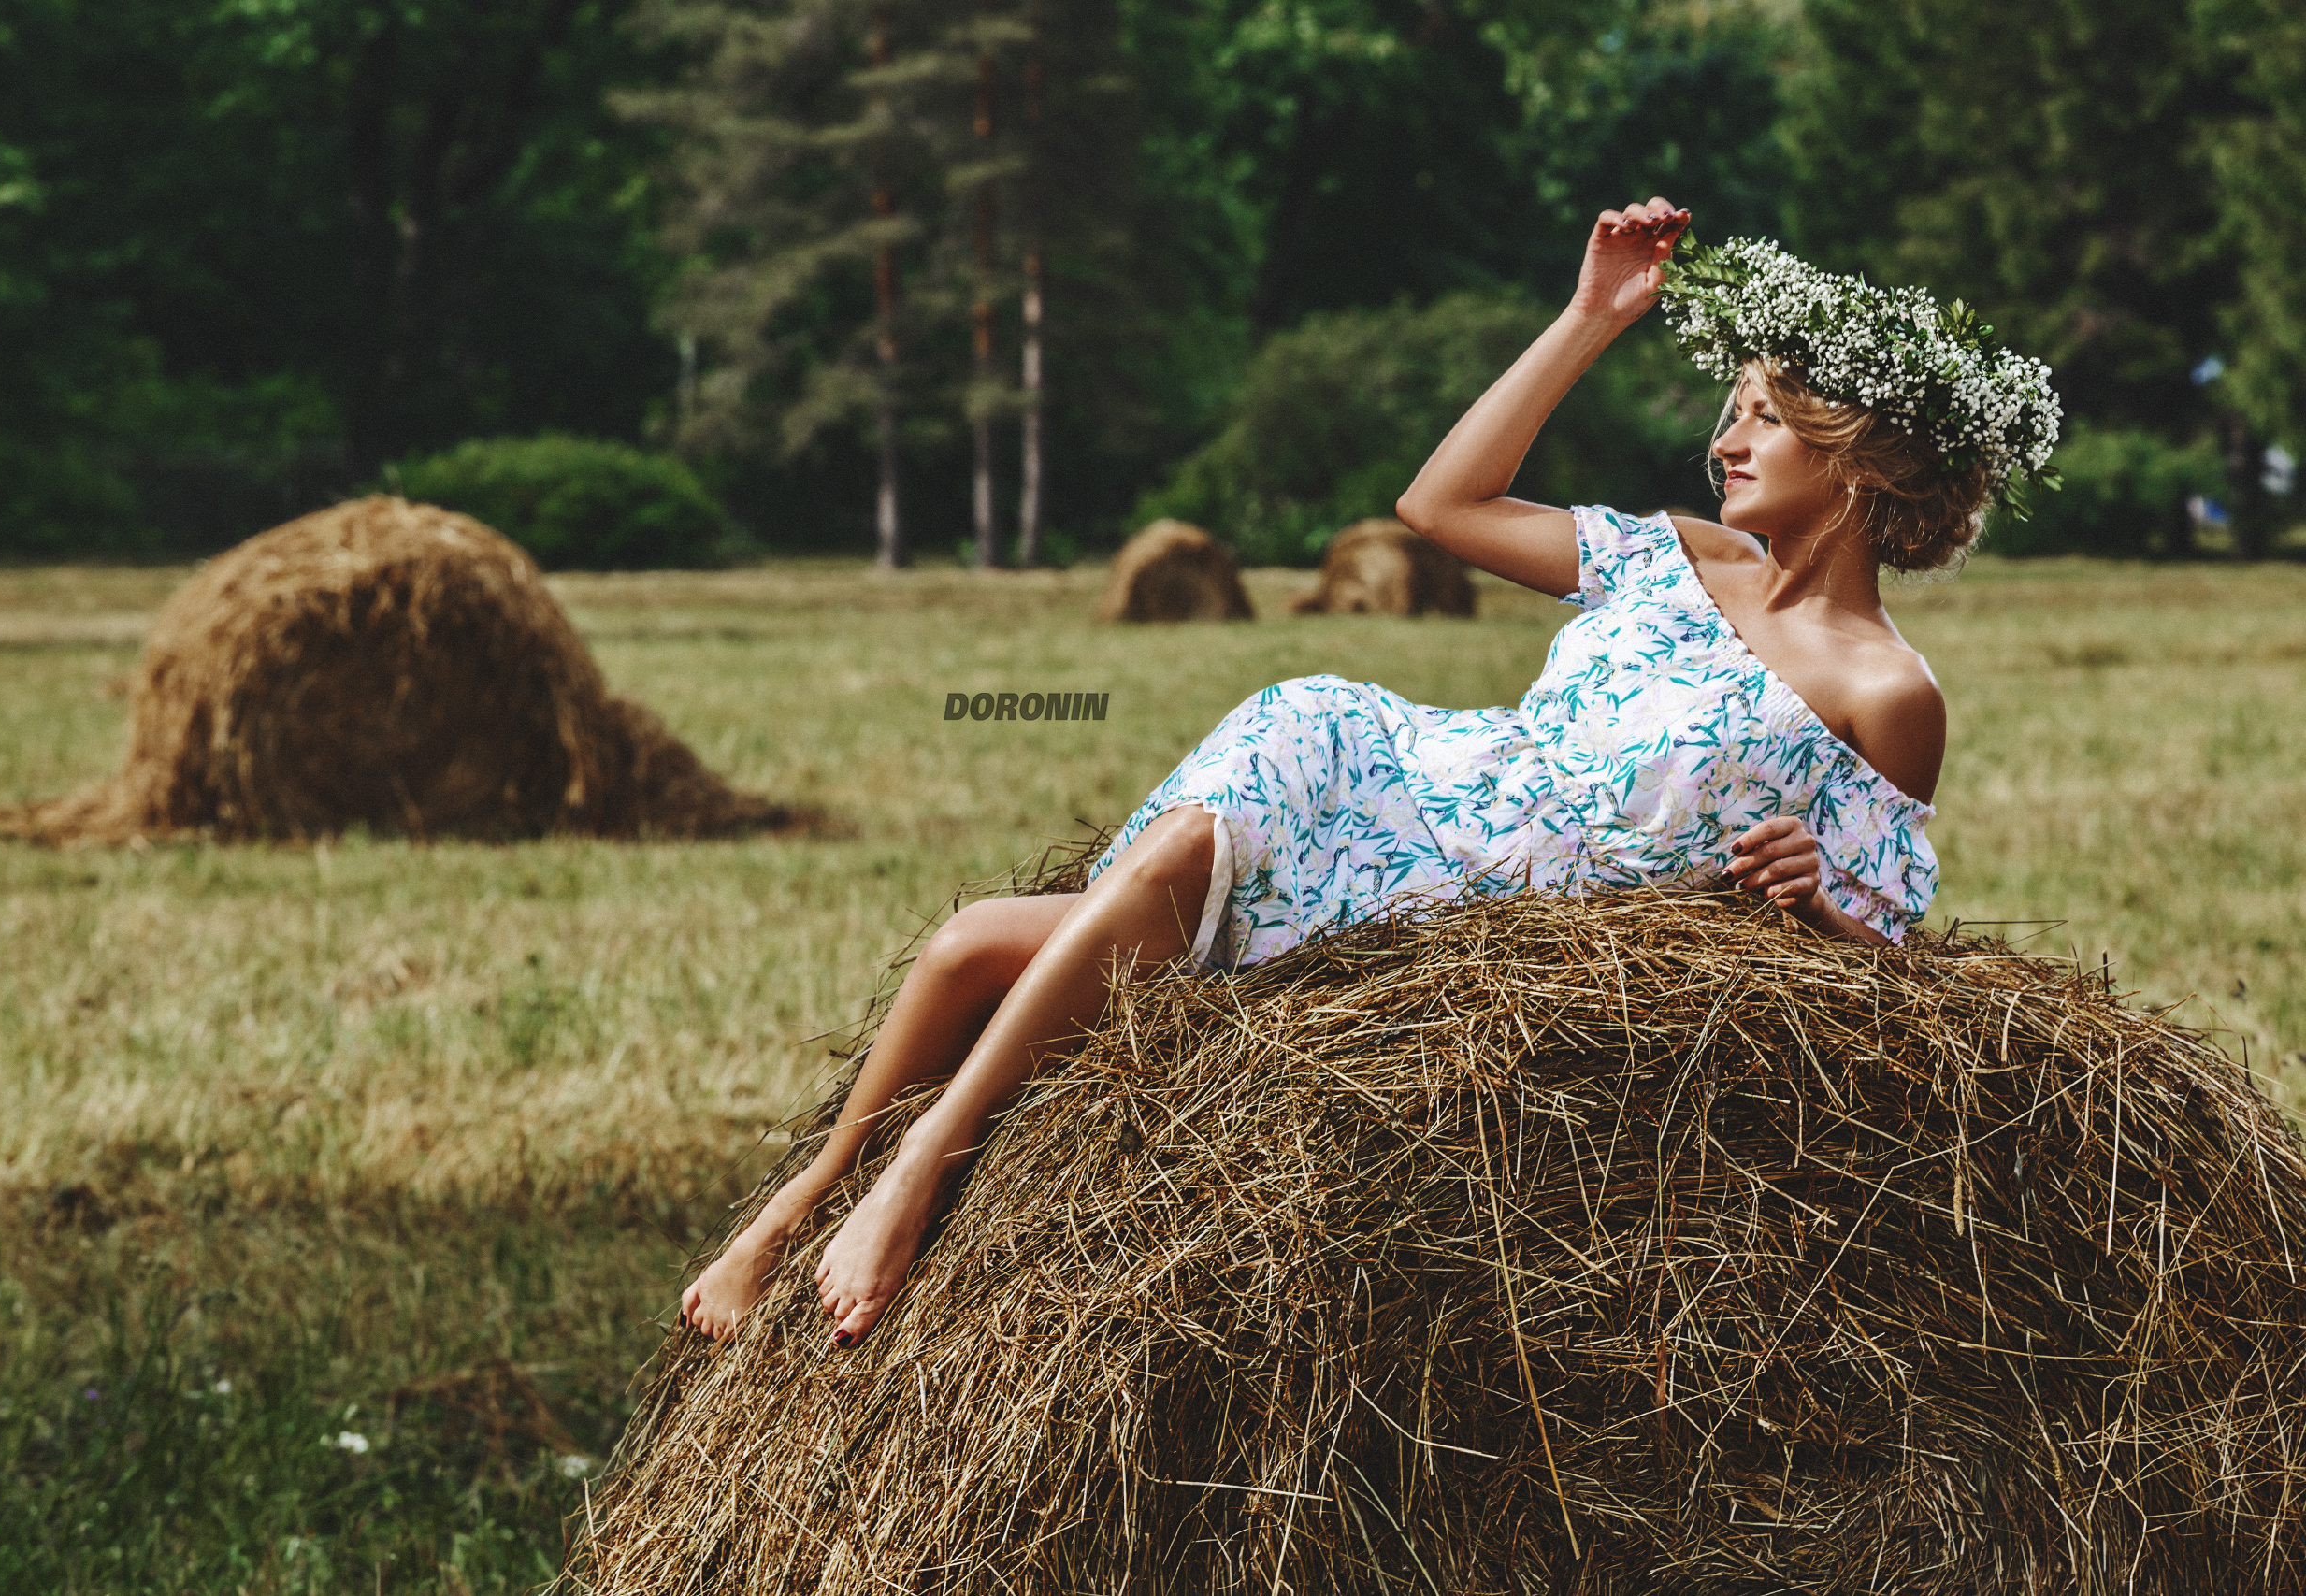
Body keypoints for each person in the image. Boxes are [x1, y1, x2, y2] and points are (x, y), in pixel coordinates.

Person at [680, 194, 2060, 1347]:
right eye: (1729, 413)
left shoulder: (1889, 696)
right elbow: (1439, 507)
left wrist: (1817, 891)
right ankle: (824, 1195)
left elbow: (1887, 966)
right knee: (1044, 907)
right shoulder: (1681, 558)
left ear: (1860, 453)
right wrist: (1588, 318)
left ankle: (901, 1178)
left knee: (981, 944)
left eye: (1763, 417)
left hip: (1486, 926)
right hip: (1395, 780)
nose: (1726, 440)